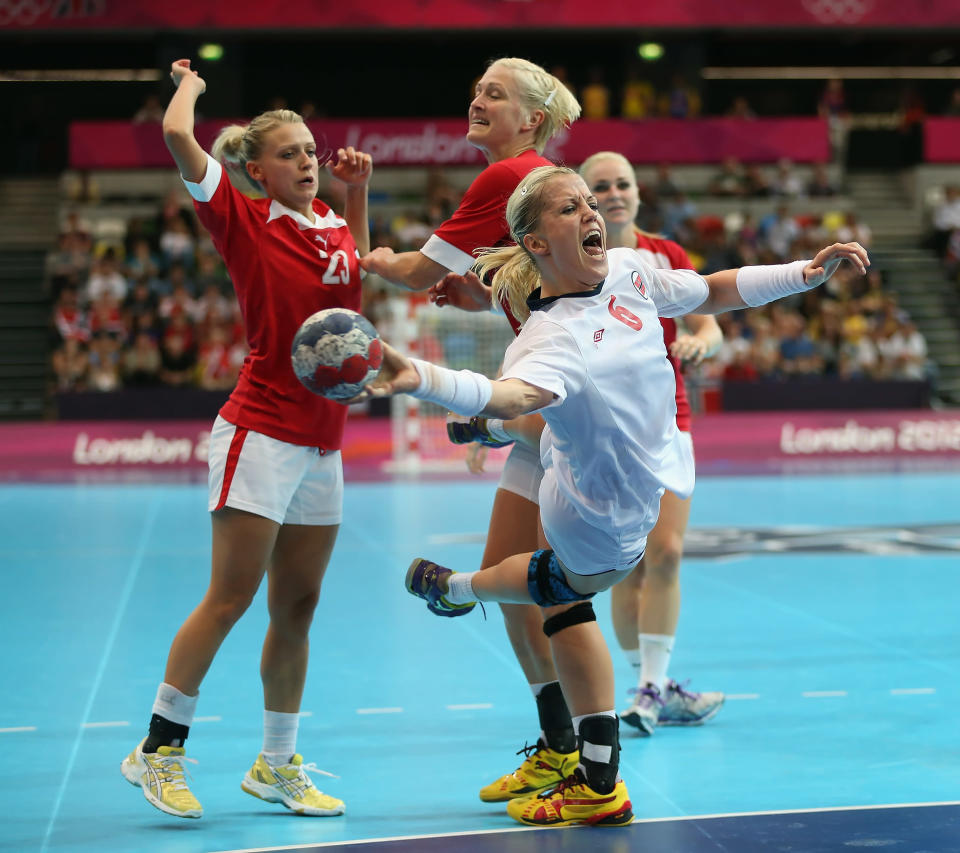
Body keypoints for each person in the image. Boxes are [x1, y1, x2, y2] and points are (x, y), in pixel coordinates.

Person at [356, 165, 869, 827]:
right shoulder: (547, 337)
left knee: (558, 591)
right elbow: (513, 390)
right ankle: (597, 781)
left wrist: (805, 271)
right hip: (590, 511)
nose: (591, 212)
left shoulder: (629, 269)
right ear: (537, 244)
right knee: (559, 587)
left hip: (614, 487)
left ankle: (458, 586)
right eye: (570, 207)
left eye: (589, 202)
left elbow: (709, 289)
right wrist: (420, 376)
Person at [120, 58, 372, 820]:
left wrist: (356, 194)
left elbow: (354, 278)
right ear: (256, 168)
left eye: (310, 150)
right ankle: (155, 751)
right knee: (231, 597)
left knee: (297, 605)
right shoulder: (240, 215)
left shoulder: (329, 220)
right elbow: (173, 131)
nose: (306, 161)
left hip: (325, 439)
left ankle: (274, 764)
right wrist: (190, 82)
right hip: (260, 431)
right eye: (290, 153)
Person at [361, 58, 586, 804]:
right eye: (477, 89)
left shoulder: (508, 176)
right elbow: (528, 286)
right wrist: (484, 290)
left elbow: (413, 272)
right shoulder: (520, 187)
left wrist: (368, 249)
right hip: (545, 396)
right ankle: (559, 747)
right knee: (514, 583)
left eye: (496, 92)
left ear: (531, 120)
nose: (477, 98)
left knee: (554, 592)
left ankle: (594, 760)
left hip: (567, 408)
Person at [577, 151, 724, 734]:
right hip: (606, 431)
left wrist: (701, 344)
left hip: (671, 420)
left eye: (623, 184)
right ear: (584, 198)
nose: (614, 194)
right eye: (600, 186)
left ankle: (650, 690)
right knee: (626, 565)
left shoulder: (667, 255)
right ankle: (651, 686)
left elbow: (708, 318)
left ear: (638, 192)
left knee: (666, 552)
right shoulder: (569, 262)